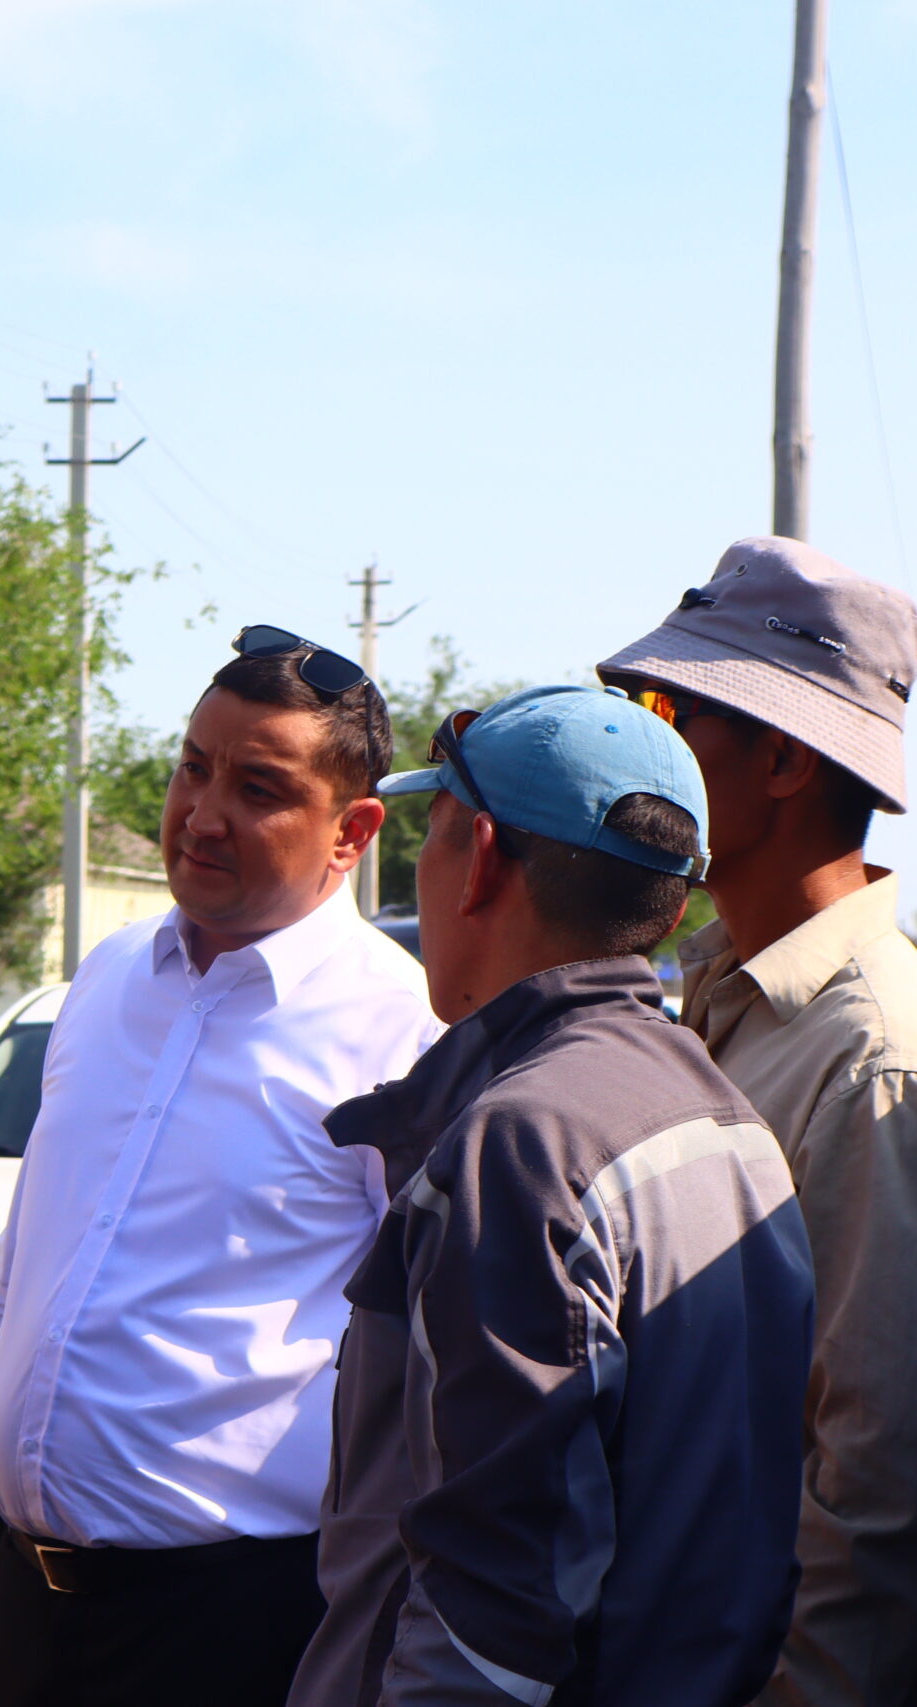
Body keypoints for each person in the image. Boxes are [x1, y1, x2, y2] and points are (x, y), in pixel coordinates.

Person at [0, 627, 441, 1707]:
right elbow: (24, 1258)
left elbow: (427, 1356)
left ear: (353, 831)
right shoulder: (110, 974)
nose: (202, 814)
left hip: (239, 1621)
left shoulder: (402, 1033)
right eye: (193, 767)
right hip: (32, 1607)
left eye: (259, 789)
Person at [291, 683, 815, 1707]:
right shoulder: (726, 1118)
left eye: (431, 835)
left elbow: (490, 1616)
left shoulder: (522, 1142)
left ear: (481, 858)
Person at [600, 538, 917, 1707]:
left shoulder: (876, 1067)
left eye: (668, 711)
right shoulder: (725, 997)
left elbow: (885, 1493)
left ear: (781, 758)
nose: (639, 746)